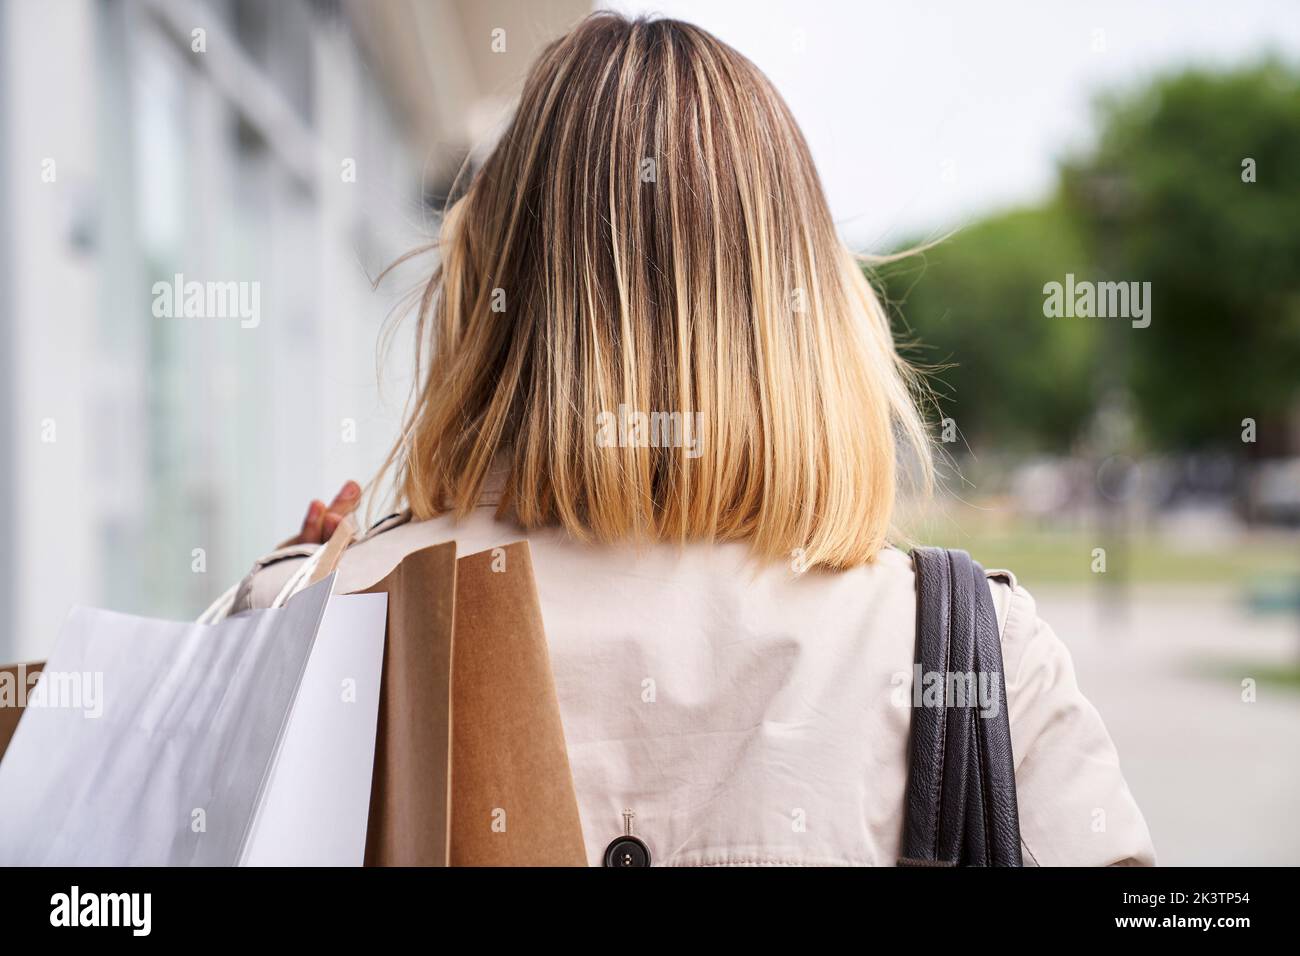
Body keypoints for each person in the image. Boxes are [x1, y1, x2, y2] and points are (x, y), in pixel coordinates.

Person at [230, 12, 1154, 867]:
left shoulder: (315, 628)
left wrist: (291, 597)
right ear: (812, 309)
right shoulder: (967, 652)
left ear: (482, 296)